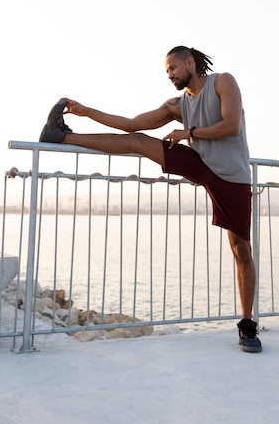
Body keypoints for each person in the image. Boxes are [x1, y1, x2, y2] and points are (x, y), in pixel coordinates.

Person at [39, 45, 262, 353]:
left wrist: (188, 133)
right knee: (138, 142)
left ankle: (247, 324)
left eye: (173, 68)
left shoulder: (223, 82)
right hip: (200, 164)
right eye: (166, 71)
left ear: (189, 62)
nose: (169, 74)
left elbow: (231, 125)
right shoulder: (176, 104)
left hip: (232, 176)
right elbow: (131, 124)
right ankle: (61, 135)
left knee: (241, 250)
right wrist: (86, 111)